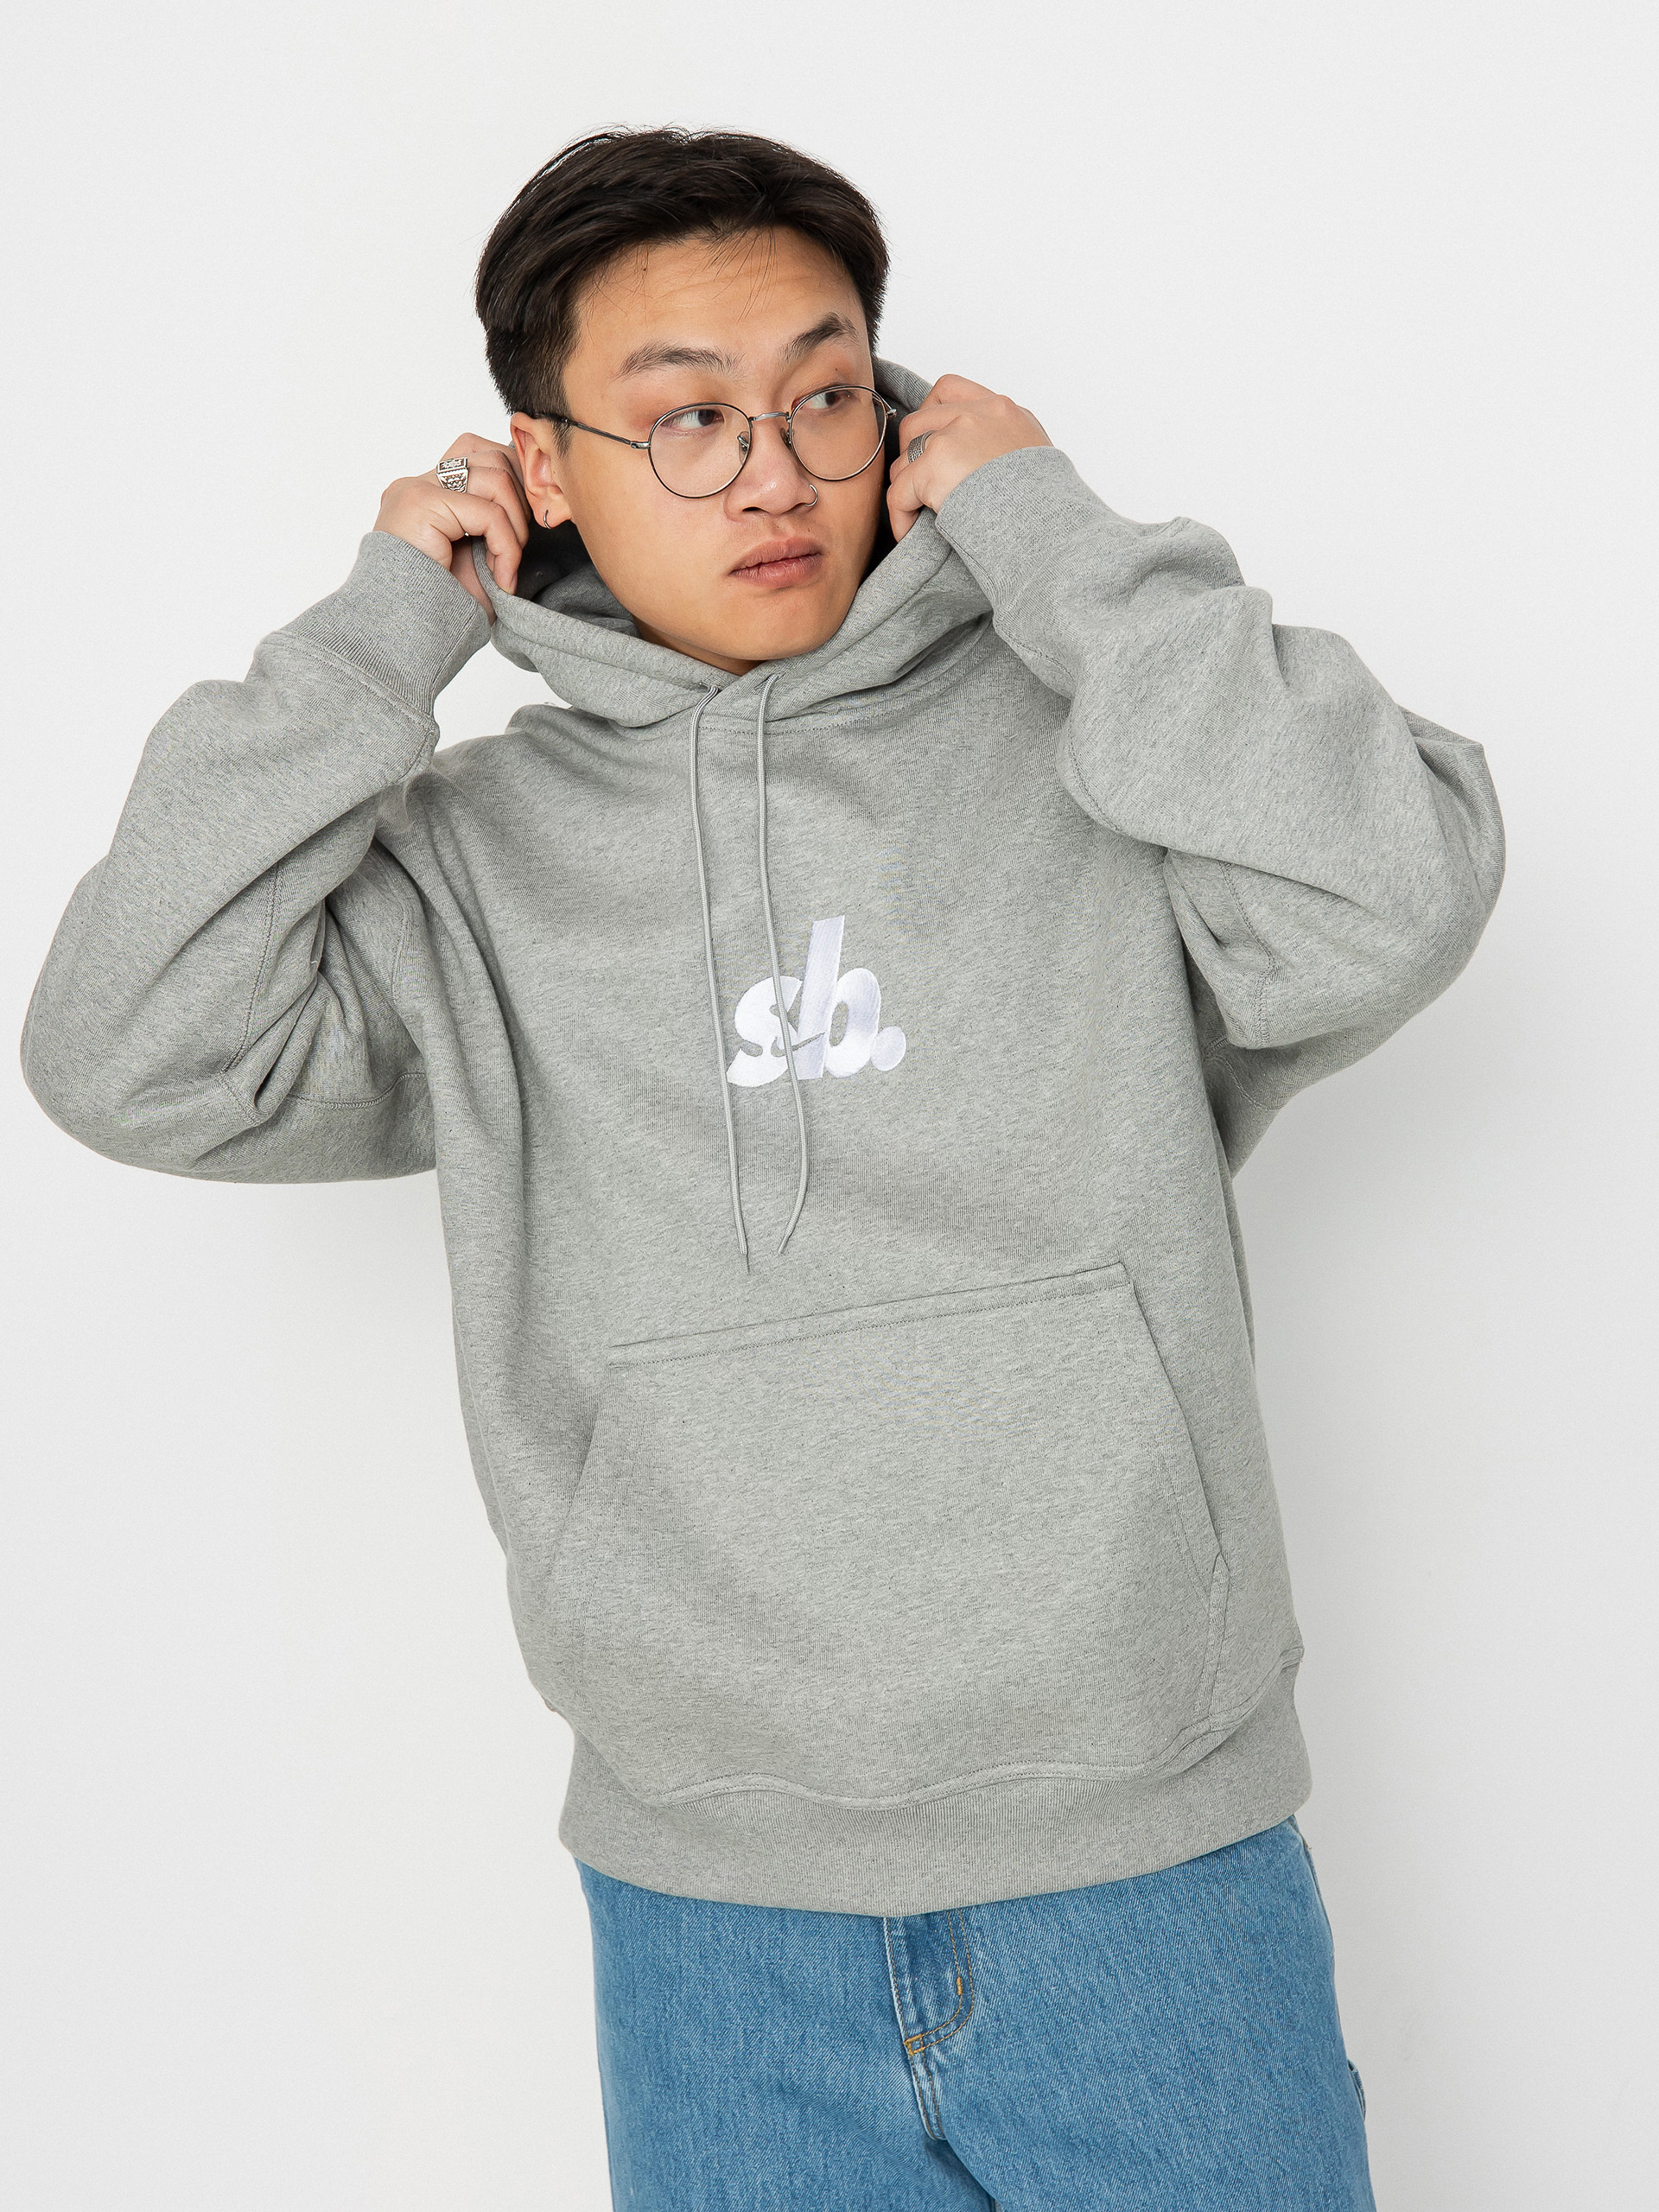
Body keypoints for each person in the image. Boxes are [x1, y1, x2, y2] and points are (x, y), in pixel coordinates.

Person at [21, 125, 1505, 2209]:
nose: (775, 474)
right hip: (708, 1906)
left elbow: (1397, 885)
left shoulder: (1107, 757)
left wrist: (1060, 542)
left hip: (1148, 1850)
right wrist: (375, 638)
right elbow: (121, 1047)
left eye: (823, 396)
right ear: (542, 471)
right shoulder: (469, 877)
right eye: (689, 420)